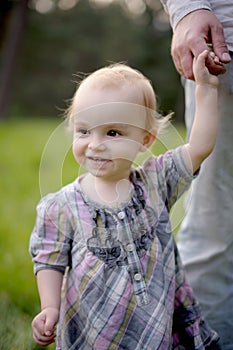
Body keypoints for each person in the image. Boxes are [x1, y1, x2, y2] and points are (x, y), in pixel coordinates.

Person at [29, 53, 220, 349]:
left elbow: (200, 147)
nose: (95, 145)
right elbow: (49, 259)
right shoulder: (62, 205)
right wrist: (50, 307)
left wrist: (206, 88)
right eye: (84, 131)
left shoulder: (156, 182)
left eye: (113, 133)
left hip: (153, 324)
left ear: (144, 140)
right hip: (93, 328)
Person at [159, 2, 233, 349]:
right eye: (83, 132)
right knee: (214, 225)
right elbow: (201, 146)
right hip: (223, 42)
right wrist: (188, 8)